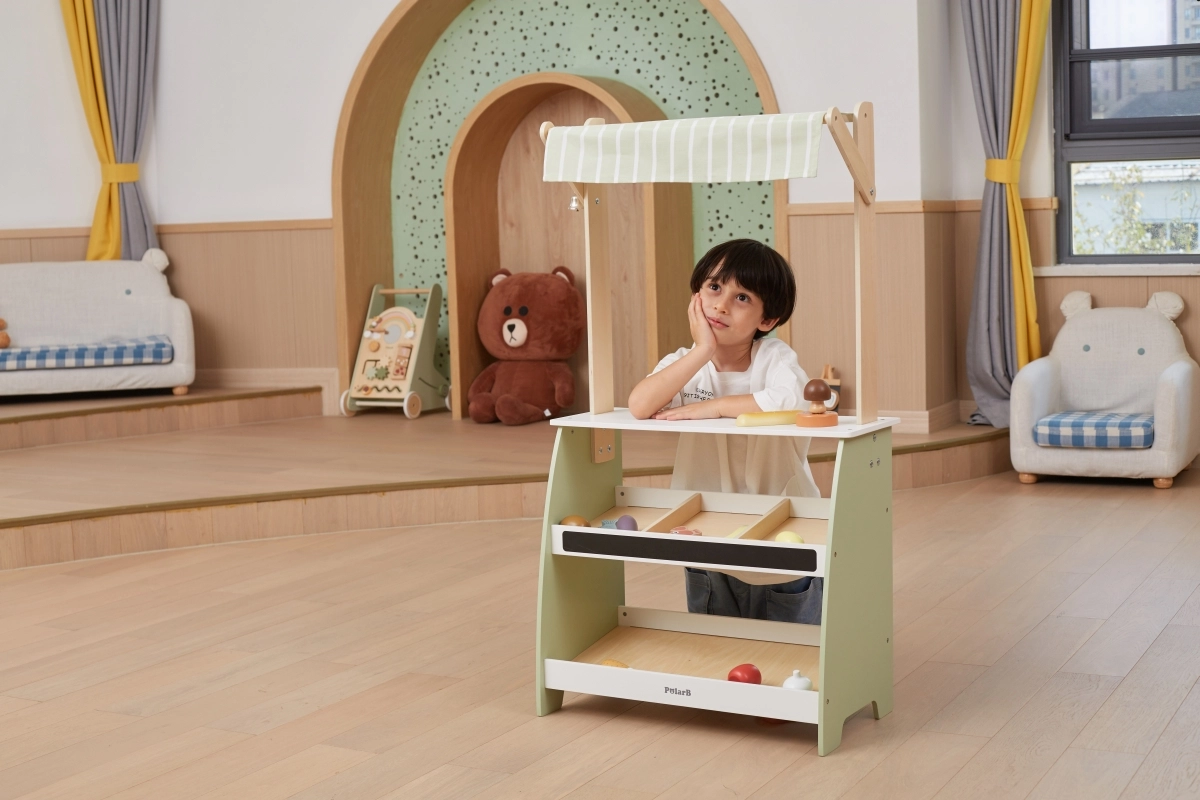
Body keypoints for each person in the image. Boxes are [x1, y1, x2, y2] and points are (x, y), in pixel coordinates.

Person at [628, 238, 822, 624]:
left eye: (742, 297)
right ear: (696, 296)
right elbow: (640, 404)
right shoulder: (684, 362)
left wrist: (713, 407)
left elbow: (794, 399)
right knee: (715, 634)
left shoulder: (774, 358)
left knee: (788, 640)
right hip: (705, 521)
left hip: (780, 519)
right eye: (714, 287)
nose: (721, 305)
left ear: (767, 320)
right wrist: (702, 349)